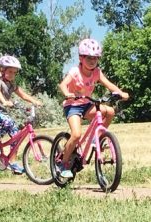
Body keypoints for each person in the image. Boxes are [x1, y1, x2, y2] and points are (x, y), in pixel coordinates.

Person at [58, 38, 129, 178]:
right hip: (72, 105)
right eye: (89, 58)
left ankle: (98, 139)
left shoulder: (96, 72)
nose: (92, 61)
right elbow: (63, 84)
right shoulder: (75, 71)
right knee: (76, 134)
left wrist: (120, 92)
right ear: (81, 58)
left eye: (95, 58)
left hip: (87, 104)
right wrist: (67, 93)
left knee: (110, 111)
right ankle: (63, 163)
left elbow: (109, 85)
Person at [0, 54, 42, 174]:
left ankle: (13, 163)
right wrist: (4, 101)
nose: (12, 74)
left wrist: (34, 101)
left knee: (16, 136)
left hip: (2, 114)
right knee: (8, 122)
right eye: (10, 71)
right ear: (2, 70)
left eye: (14, 72)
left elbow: (23, 95)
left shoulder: (12, 84)